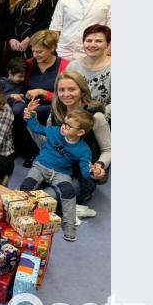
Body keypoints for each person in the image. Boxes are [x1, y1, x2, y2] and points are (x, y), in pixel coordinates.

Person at [21, 105, 102, 242]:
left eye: (68, 126)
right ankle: (21, 213)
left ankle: (69, 224)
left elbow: (85, 172)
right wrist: (31, 116)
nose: (63, 127)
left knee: (68, 192)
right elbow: (36, 128)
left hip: (61, 173)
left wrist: (93, 172)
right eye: (64, 123)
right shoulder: (54, 130)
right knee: (26, 186)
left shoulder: (84, 150)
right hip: (41, 166)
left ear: (80, 132)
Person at [47, 71, 110, 218]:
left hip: (83, 176)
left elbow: (109, 150)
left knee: (44, 200)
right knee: (29, 194)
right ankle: (69, 206)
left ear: (82, 91)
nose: (66, 94)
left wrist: (99, 165)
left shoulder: (96, 116)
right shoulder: (56, 112)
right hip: (58, 170)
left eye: (71, 89)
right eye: (61, 90)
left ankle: (77, 199)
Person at [10, 30, 70, 167]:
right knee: (17, 109)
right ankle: (21, 148)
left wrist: (43, 93)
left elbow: (68, 96)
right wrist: (19, 95)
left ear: (52, 48)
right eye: (33, 51)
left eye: (40, 52)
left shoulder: (65, 66)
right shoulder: (30, 63)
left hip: (54, 104)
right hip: (30, 102)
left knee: (33, 113)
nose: (35, 55)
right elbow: (21, 86)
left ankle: (35, 152)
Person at [66, 24, 111, 122]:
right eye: (89, 41)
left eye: (98, 41)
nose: (92, 45)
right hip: (74, 119)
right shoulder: (73, 66)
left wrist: (92, 119)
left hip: (104, 119)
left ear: (107, 44)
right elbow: (62, 95)